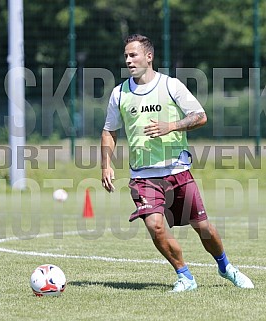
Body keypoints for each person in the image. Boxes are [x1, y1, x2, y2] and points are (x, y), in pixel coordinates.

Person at [101, 34, 254, 292]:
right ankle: (185, 276)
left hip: (178, 171)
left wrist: (170, 126)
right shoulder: (119, 93)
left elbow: (200, 116)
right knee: (155, 225)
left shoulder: (170, 86)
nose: (128, 60)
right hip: (144, 176)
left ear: (149, 56)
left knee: (203, 227)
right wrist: (106, 163)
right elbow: (109, 131)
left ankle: (226, 267)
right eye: (126, 55)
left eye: (133, 54)